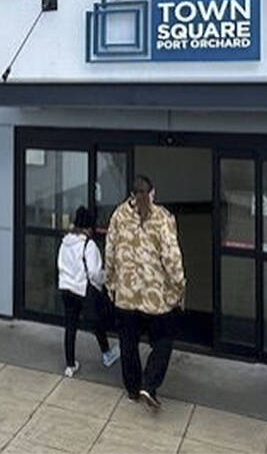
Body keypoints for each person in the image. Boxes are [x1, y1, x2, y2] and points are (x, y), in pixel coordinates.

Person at [104, 175, 186, 409]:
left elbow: (109, 253)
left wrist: (111, 284)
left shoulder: (118, 215)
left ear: (131, 194)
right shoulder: (162, 218)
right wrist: (179, 285)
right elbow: (172, 258)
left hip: (126, 295)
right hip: (155, 297)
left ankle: (132, 389)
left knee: (128, 343)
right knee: (163, 340)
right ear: (153, 193)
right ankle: (149, 385)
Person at [57, 206, 121, 378]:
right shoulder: (89, 245)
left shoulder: (65, 242)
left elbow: (61, 265)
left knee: (70, 327)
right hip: (83, 290)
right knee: (97, 322)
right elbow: (94, 273)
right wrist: (105, 279)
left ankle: (70, 365)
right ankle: (107, 354)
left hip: (66, 288)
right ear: (89, 226)